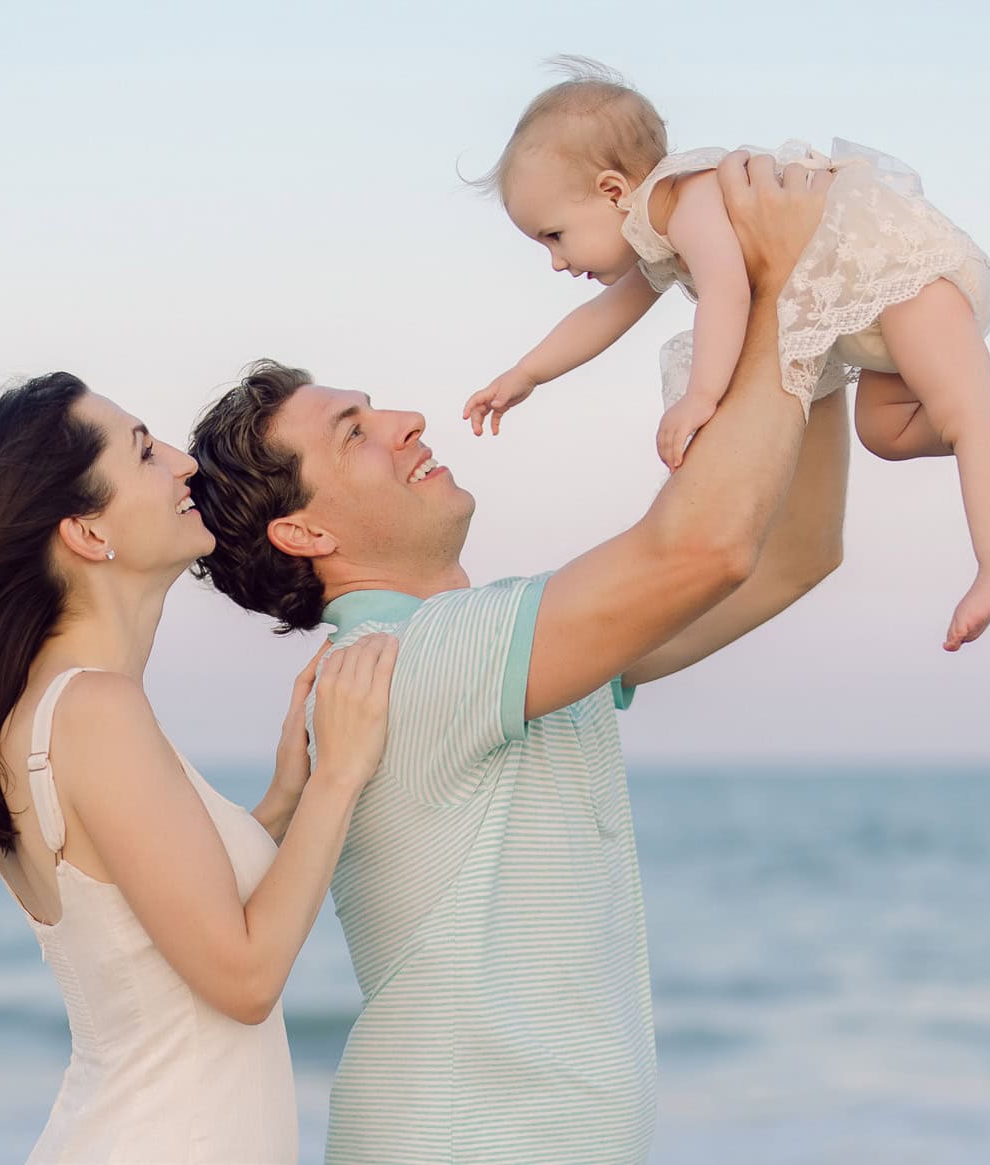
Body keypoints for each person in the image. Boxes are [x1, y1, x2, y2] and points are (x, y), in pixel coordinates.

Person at [188, 151, 848, 1163]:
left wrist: (816, 328)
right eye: (355, 432)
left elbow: (786, 558)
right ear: (305, 533)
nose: (407, 421)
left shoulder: (484, 648)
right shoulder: (415, 660)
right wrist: (780, 291)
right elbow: (704, 546)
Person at [0, 372, 397, 1162]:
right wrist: (341, 771)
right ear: (89, 533)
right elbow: (243, 978)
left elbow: (166, 915)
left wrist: (284, 798)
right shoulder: (95, 710)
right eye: (144, 452)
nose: (184, 463)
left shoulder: (48, 711)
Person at [461, 57, 990, 651]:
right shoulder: (656, 235)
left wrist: (701, 396)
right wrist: (526, 373)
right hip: (860, 315)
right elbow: (604, 316)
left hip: (900, 278)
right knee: (887, 432)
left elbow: (728, 291)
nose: (557, 262)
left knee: (963, 417)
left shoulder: (692, 199)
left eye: (554, 236)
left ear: (613, 190)